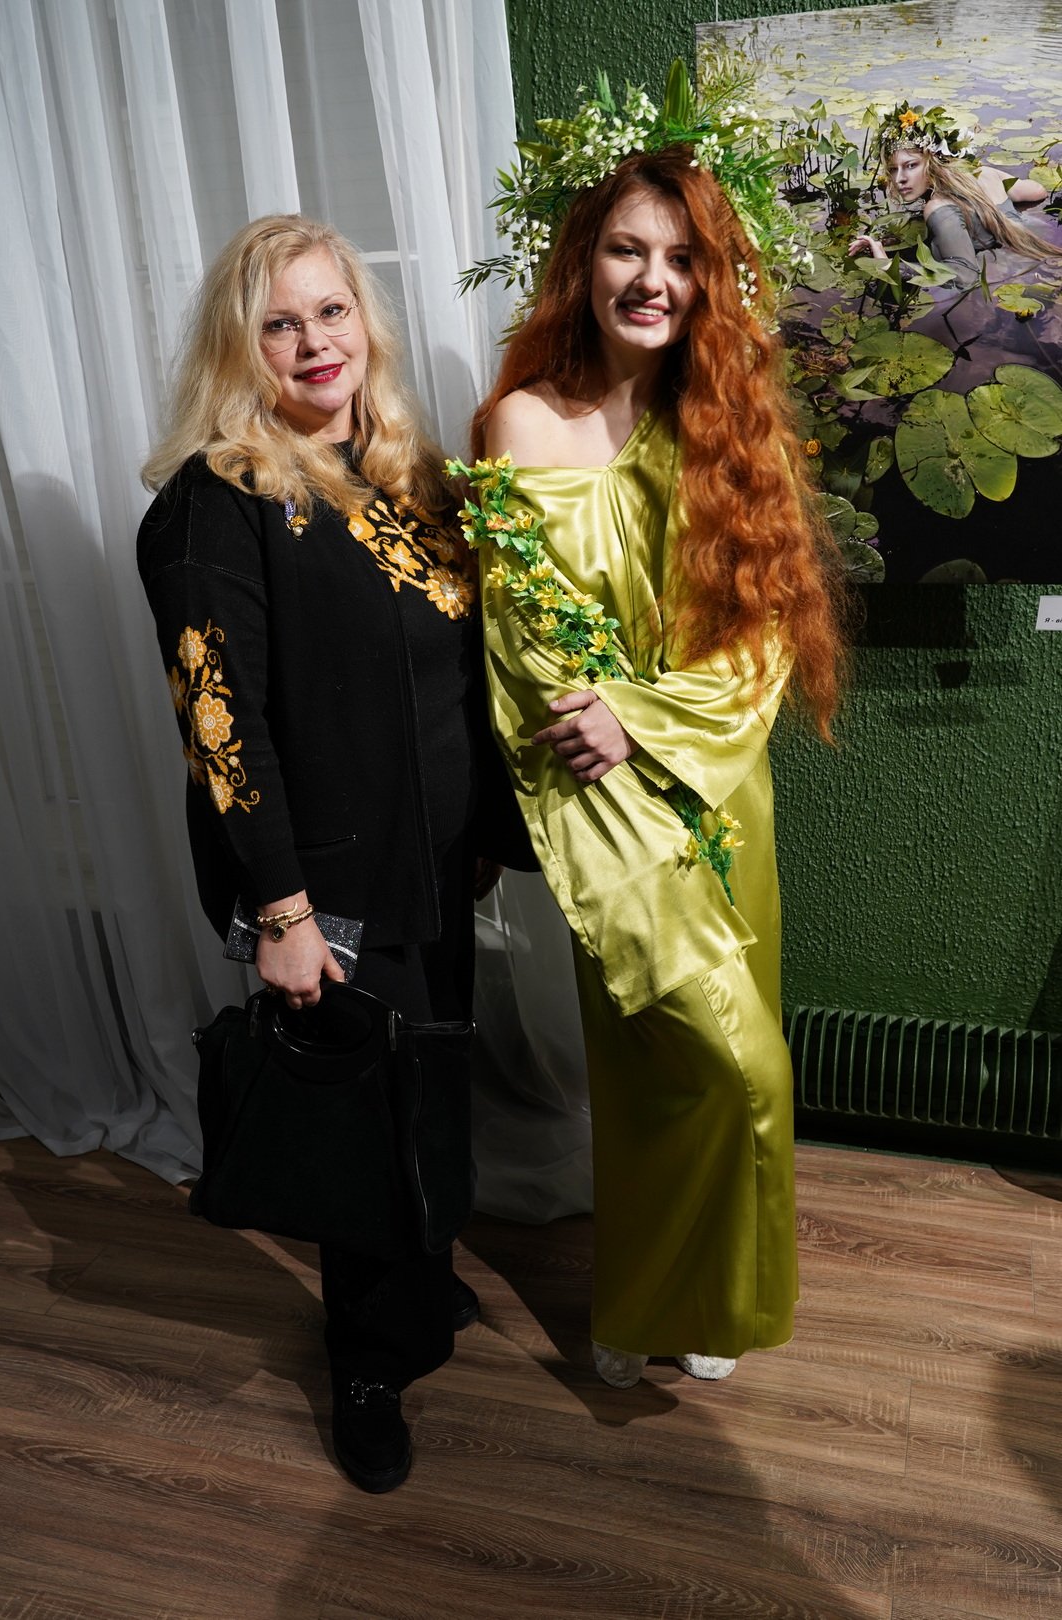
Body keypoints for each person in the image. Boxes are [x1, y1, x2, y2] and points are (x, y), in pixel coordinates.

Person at [138, 214, 522, 1492]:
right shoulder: (215, 504)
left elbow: (450, 673)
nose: (314, 342)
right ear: (239, 348)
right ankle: (367, 1364)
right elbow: (221, 728)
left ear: (366, 322)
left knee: (426, 1092)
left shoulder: (404, 473)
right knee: (364, 1131)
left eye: (331, 311)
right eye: (280, 323)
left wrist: (482, 832)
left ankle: (420, 1279)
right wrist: (283, 911)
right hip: (329, 886)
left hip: (434, 862)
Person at [466, 132, 848, 1389]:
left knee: (707, 1073)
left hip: (720, 784)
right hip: (599, 790)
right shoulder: (522, 421)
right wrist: (612, 731)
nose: (653, 279)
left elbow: (767, 639)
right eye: (628, 250)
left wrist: (651, 717)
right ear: (585, 262)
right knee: (700, 1067)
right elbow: (527, 637)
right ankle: (638, 1301)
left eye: (682, 258)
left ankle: (688, 1306)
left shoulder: (731, 431)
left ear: (710, 278)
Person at [849, 103, 1059, 289]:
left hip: (1016, 275)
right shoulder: (985, 173)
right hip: (1039, 245)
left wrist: (888, 265)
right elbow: (1038, 192)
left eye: (911, 165)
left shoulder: (938, 207)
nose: (899, 179)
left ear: (932, 161)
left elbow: (965, 277)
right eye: (894, 169)